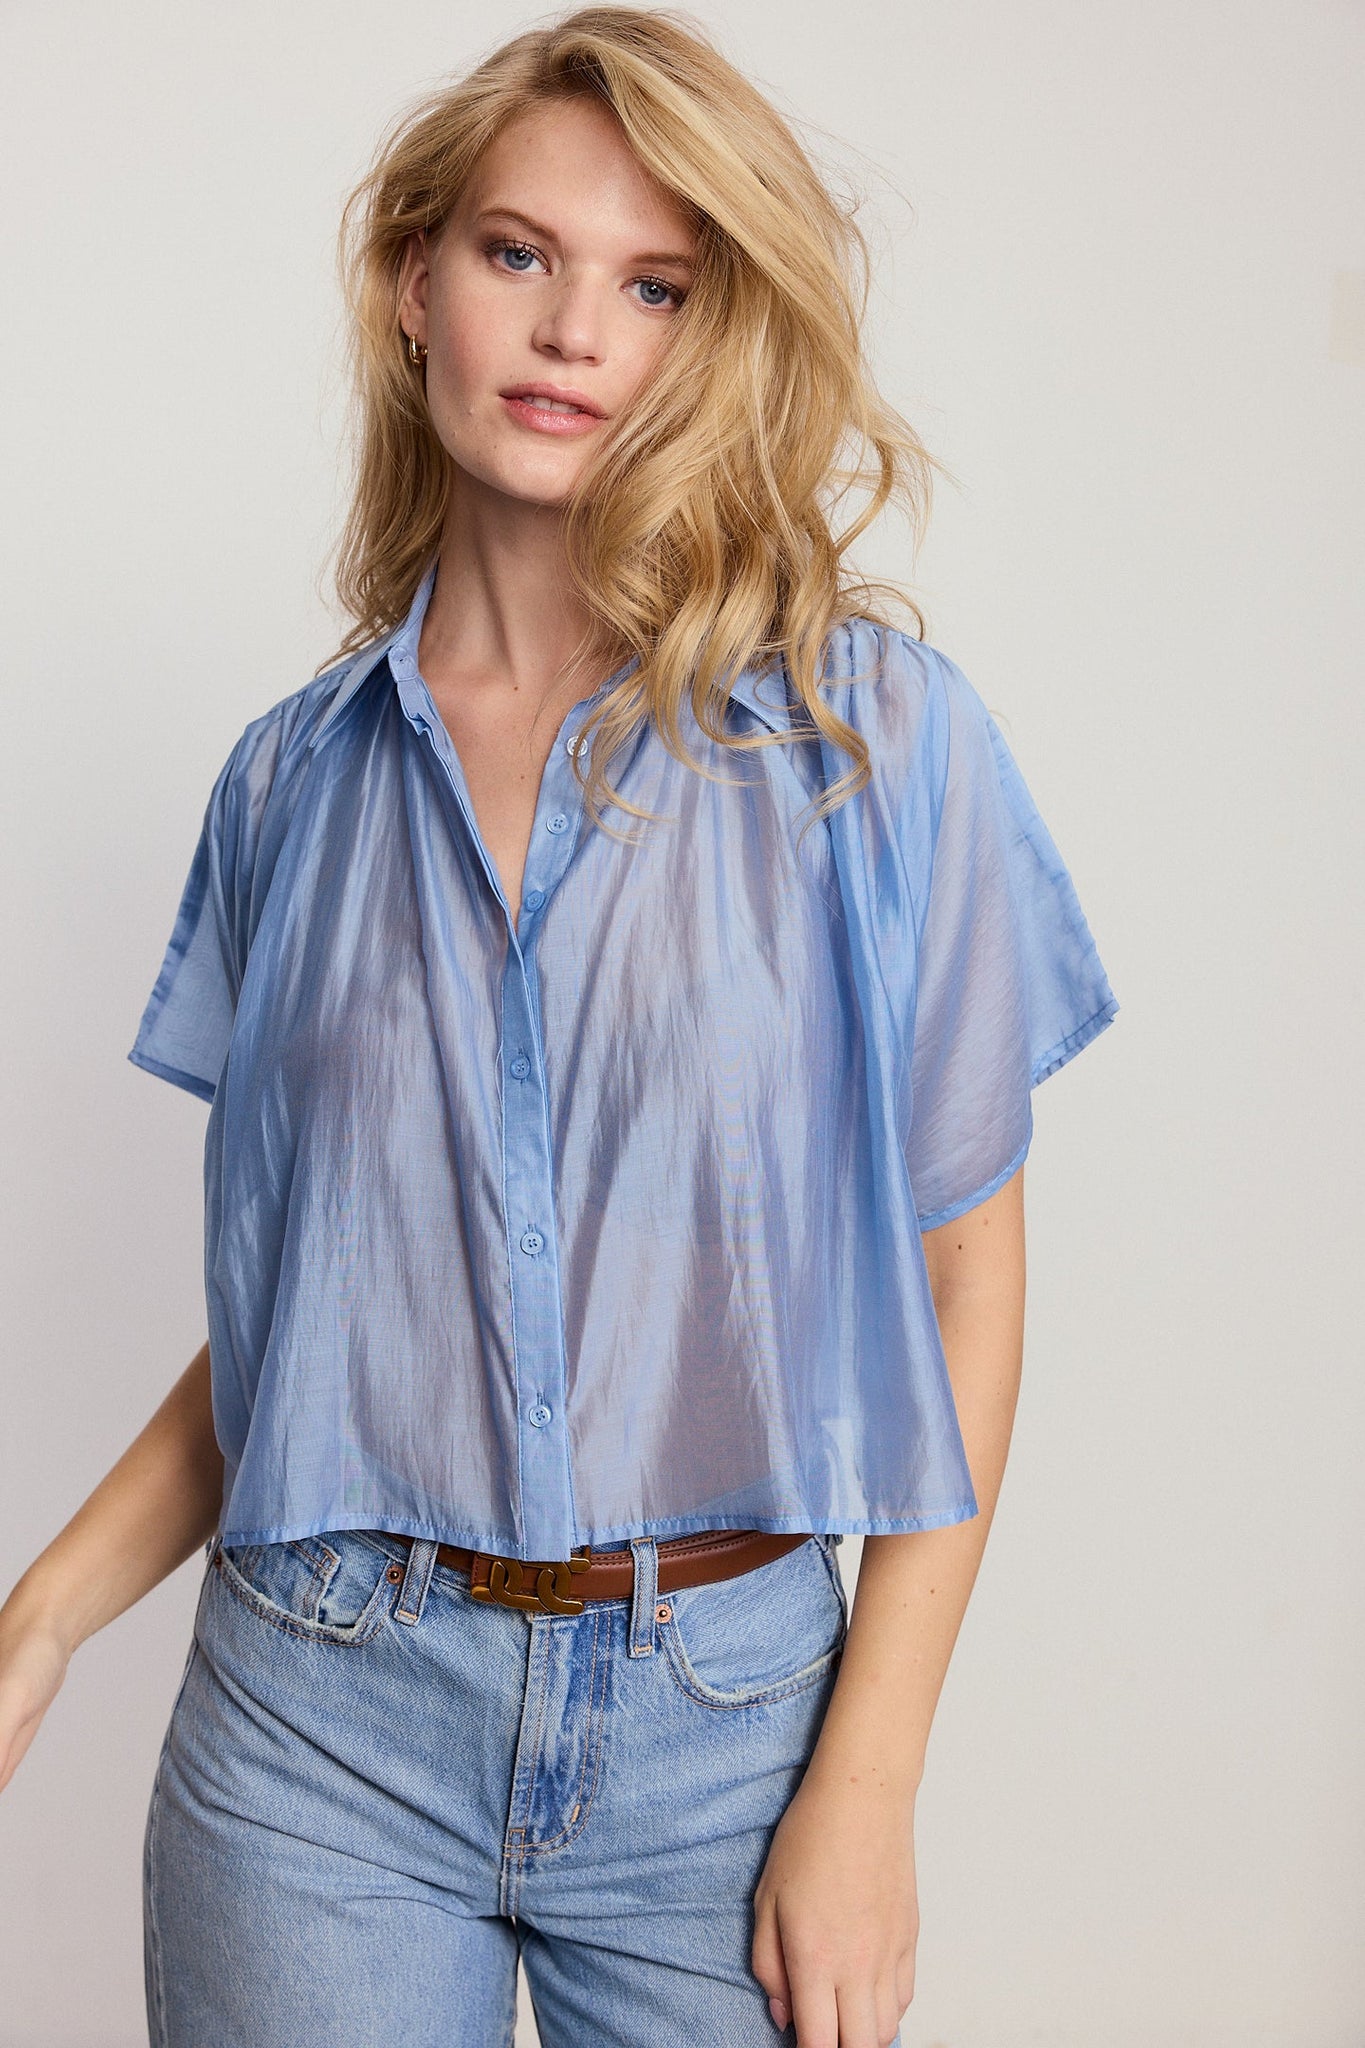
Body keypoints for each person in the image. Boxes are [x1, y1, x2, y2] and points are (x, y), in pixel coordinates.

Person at [0, 9, 1118, 2046]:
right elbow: (315, 1333)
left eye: (652, 284)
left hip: (727, 1724)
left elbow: (965, 1281)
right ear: (412, 281)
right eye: (516, 252)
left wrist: (869, 1780)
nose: (572, 329)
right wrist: (44, 1616)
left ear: (715, 332)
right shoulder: (289, 787)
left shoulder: (870, 747)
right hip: (318, 1721)